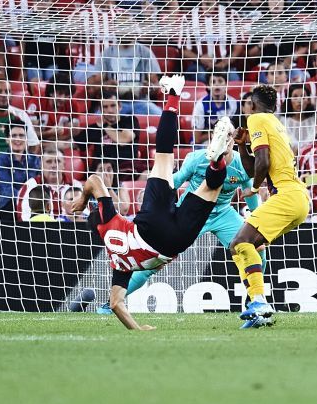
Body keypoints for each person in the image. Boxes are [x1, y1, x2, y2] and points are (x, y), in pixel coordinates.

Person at [71, 74, 234, 330]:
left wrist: (138, 328)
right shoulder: (109, 220)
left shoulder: (117, 263)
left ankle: (218, 162)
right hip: (149, 220)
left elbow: (116, 304)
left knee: (210, 189)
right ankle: (173, 95)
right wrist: (82, 199)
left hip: (173, 242)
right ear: (97, 216)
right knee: (164, 158)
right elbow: (94, 179)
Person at [97, 134, 267, 320]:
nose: (225, 142)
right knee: (151, 261)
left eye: (228, 137)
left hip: (223, 213)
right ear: (213, 140)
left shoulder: (241, 163)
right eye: (220, 137)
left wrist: (257, 219)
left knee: (257, 247)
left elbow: (249, 192)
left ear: (233, 141)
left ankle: (254, 300)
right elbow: (175, 180)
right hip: (191, 213)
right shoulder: (197, 159)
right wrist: (153, 204)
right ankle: (110, 302)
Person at [229, 85, 311, 328]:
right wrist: (242, 146)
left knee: (239, 243)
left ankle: (259, 302)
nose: (245, 109)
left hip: (286, 195)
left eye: (246, 104)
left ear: (251, 105)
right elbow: (253, 166)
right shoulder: (274, 122)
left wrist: (254, 188)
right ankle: (258, 307)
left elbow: (262, 164)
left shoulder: (256, 119)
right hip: (297, 199)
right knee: (244, 247)